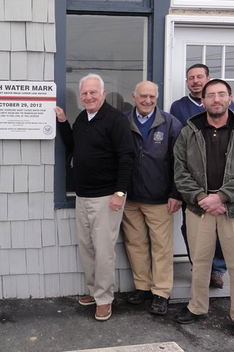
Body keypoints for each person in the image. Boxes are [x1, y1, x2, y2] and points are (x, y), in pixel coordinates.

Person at [173, 79, 234, 343]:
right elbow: (180, 172)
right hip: (199, 208)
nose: (216, 99)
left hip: (233, 209)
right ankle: (197, 306)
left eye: (221, 94)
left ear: (229, 97)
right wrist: (203, 198)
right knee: (199, 262)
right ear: (202, 101)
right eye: (210, 95)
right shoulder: (189, 132)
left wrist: (222, 197)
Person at [55, 73, 135, 321]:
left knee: (103, 250)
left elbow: (127, 157)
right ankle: (93, 290)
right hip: (83, 196)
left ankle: (104, 299)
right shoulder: (82, 118)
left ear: (103, 93)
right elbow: (74, 144)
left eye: (93, 92)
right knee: (87, 248)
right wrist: (63, 122)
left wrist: (119, 192)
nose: (88, 96)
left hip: (106, 197)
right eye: (84, 93)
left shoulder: (115, 120)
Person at [170, 63, 234, 289]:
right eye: (191, 78)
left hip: (221, 182)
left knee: (220, 227)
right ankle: (199, 267)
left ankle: (217, 270)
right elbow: (177, 145)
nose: (195, 81)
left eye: (200, 77)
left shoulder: (228, 107)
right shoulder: (178, 107)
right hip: (192, 182)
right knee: (191, 228)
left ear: (208, 78)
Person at [122, 81, 182, 316]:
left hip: (160, 199)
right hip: (130, 198)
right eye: (143, 96)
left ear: (157, 98)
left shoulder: (170, 124)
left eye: (152, 97)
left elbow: (181, 163)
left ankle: (161, 292)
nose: (147, 101)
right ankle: (142, 287)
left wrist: (176, 193)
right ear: (134, 96)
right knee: (135, 245)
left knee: (161, 247)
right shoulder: (124, 121)